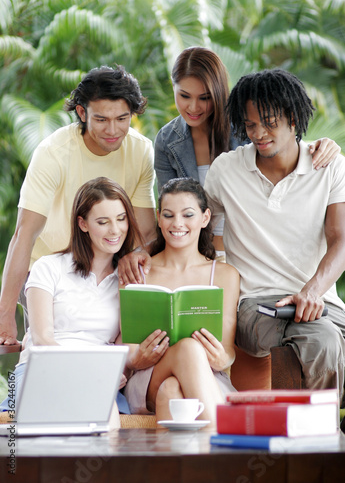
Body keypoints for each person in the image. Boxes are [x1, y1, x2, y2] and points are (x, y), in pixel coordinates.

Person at [204, 68, 345, 400]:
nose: (258, 133)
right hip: (256, 306)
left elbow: (340, 238)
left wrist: (311, 291)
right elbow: (194, 225)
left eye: (269, 122)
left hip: (320, 300)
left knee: (324, 332)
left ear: (293, 118)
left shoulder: (331, 166)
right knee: (321, 339)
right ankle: (323, 444)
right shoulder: (226, 170)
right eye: (250, 124)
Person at [0, 65, 156, 345]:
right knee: (50, 347)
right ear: (82, 113)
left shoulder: (140, 149)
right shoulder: (53, 153)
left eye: (122, 119)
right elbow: (24, 235)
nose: (113, 130)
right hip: (51, 273)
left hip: (107, 268)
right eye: (101, 119)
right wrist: (5, 315)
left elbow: (146, 232)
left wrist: (139, 253)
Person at [154, 46, 341, 255]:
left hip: (249, 252)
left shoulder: (246, 127)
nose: (194, 107)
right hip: (197, 251)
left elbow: (283, 144)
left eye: (205, 98)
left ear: (218, 92)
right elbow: (169, 210)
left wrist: (325, 145)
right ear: (173, 89)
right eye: (185, 96)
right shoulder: (166, 140)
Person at [0, 177, 146, 427]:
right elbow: (44, 339)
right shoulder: (49, 267)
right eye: (103, 222)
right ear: (83, 223)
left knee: (102, 405)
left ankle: (104, 461)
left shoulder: (128, 280)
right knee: (88, 403)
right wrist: (88, 370)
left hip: (99, 379)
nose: (115, 230)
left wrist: (114, 371)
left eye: (121, 219)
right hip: (43, 371)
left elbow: (124, 345)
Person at [123, 177, 240, 427]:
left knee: (172, 391)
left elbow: (227, 350)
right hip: (147, 379)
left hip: (205, 376)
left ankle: (179, 466)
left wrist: (222, 359)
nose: (177, 224)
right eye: (168, 215)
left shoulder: (225, 275)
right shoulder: (138, 272)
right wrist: (138, 356)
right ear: (158, 217)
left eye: (188, 215)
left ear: (205, 218)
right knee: (187, 348)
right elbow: (127, 346)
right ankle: (226, 442)